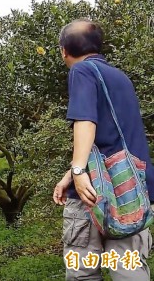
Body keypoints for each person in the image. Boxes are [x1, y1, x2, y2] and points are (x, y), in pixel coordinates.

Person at [52, 18, 154, 280]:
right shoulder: (121, 78)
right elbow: (112, 141)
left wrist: (77, 170)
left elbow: (86, 122)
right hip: (131, 191)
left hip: (93, 193)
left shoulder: (81, 72)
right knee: (129, 270)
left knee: (83, 271)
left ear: (64, 50)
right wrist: (70, 173)